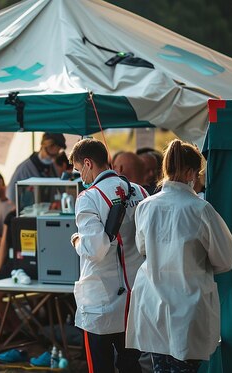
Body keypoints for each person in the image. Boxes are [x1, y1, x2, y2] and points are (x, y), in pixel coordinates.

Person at [126, 140, 232, 372]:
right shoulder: (200, 209)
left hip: (152, 302)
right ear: (189, 172)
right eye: (197, 173)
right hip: (188, 305)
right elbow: (225, 259)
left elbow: (143, 248)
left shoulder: (146, 207)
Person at [68, 138, 149, 373]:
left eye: (78, 170)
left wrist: (76, 240)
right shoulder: (140, 191)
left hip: (100, 303)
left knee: (100, 367)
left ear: (87, 163)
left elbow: (95, 249)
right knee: (130, 366)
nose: (80, 177)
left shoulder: (88, 198)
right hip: (134, 300)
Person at [7, 132, 66, 203]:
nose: (52, 159)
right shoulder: (24, 169)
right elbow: (11, 197)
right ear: (43, 146)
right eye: (50, 154)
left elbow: (60, 191)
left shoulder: (53, 168)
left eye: (55, 155)